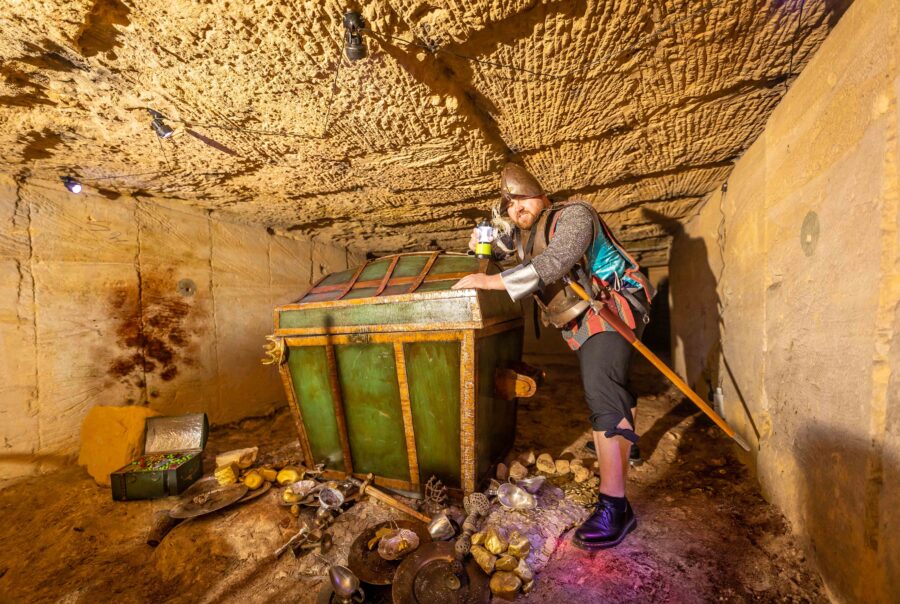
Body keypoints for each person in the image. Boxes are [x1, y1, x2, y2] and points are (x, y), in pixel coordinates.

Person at [452, 162, 654, 549]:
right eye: (510, 207)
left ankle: (616, 508)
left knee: (602, 392)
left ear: (541, 195)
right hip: (591, 315)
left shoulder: (574, 215)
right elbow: (510, 253)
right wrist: (481, 247)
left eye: (522, 200)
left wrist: (488, 281)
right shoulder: (530, 237)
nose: (516, 210)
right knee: (614, 385)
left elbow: (555, 262)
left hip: (613, 307)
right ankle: (627, 447)